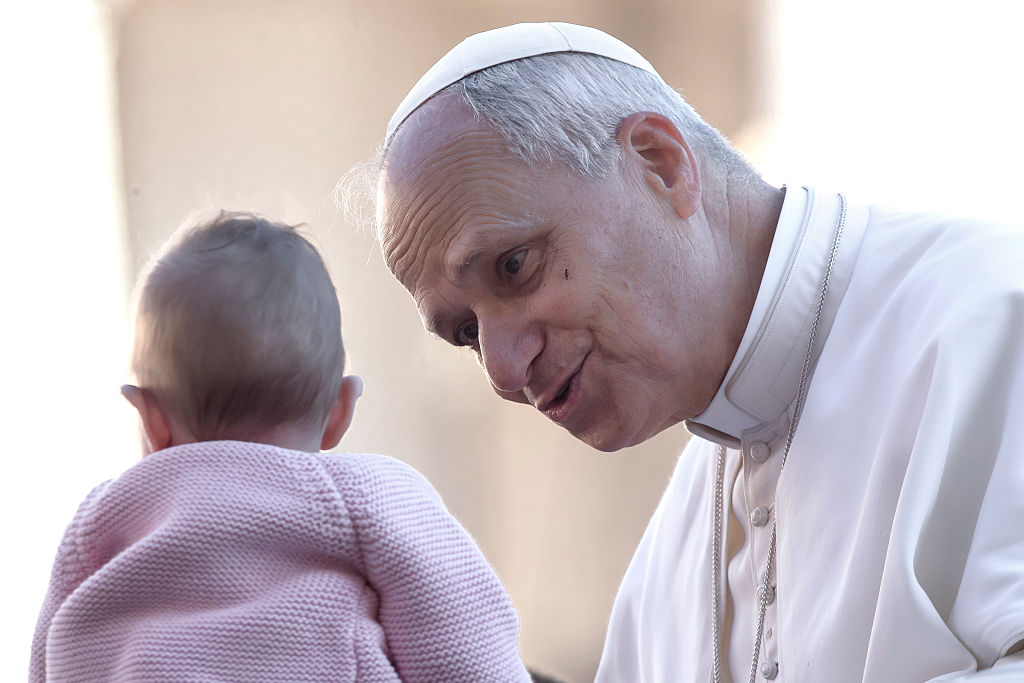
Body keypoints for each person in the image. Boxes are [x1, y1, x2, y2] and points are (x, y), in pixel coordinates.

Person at [362, 21, 1024, 682]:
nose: (504, 370)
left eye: (514, 267)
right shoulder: (678, 537)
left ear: (660, 163)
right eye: (466, 334)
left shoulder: (992, 314)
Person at [30, 212, 532, 682]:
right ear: (338, 411)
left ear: (151, 420)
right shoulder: (369, 498)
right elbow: (467, 642)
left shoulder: (100, 521)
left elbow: (44, 660)